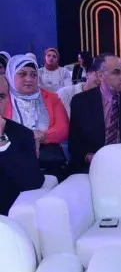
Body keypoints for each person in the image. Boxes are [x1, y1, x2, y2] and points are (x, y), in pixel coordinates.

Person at [4, 54, 70, 178]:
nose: (29, 79)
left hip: (47, 159)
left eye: (33, 75)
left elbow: (63, 128)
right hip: (10, 158)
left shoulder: (51, 98)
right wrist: (28, 137)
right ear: (11, 76)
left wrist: (42, 137)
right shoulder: (3, 99)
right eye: (22, 74)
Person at [0, 76, 44, 216]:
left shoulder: (22, 134)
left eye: (1, 96)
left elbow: (33, 182)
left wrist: (2, 142)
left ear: (8, 99)